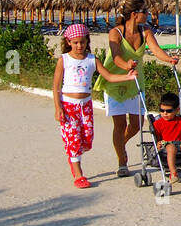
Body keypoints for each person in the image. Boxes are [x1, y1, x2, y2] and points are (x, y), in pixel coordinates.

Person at [98, 0, 181, 177]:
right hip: (116, 80)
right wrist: (125, 65)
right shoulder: (116, 32)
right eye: (145, 11)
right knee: (119, 125)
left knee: (136, 125)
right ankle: (122, 160)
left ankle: (120, 144)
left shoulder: (146, 31)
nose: (148, 14)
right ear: (135, 15)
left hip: (136, 80)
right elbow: (116, 56)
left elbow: (156, 50)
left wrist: (169, 59)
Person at [53, 23, 135, 188]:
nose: (79, 46)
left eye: (82, 42)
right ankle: (78, 174)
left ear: (87, 41)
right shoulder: (64, 60)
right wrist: (58, 108)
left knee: (87, 139)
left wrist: (127, 77)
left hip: (86, 105)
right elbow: (56, 87)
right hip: (69, 105)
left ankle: (74, 155)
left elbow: (109, 76)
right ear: (68, 42)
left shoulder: (92, 59)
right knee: (74, 139)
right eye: (75, 42)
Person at [152, 91, 181, 182]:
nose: (165, 113)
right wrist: (158, 143)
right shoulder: (158, 123)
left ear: (177, 110)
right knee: (171, 148)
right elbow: (157, 137)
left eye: (169, 111)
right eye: (162, 110)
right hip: (167, 144)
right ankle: (173, 173)